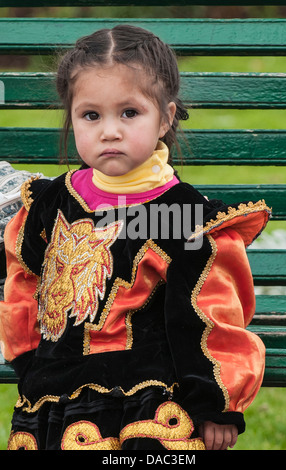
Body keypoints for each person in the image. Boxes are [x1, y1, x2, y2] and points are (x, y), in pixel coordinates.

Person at [0, 25, 271, 451]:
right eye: (91, 115)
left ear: (164, 117)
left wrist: (215, 403)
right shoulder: (50, 204)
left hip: (146, 400)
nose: (110, 131)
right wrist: (29, 361)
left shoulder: (185, 217)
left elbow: (209, 314)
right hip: (55, 399)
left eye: (129, 113)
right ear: (71, 117)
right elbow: (25, 283)